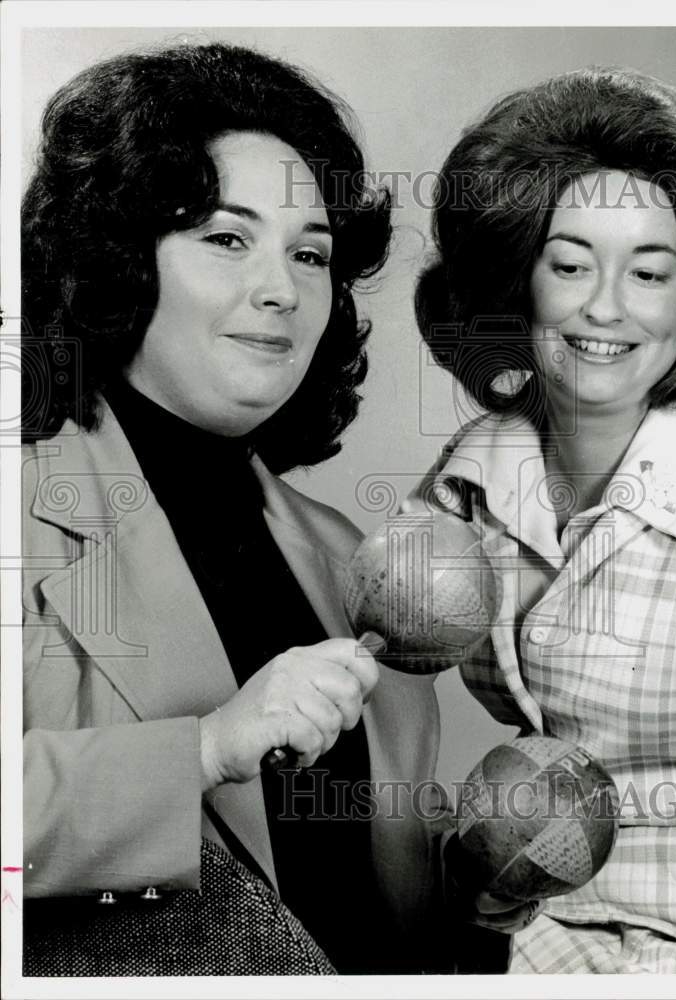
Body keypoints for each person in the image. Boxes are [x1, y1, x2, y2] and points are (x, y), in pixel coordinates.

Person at [21, 41, 444, 975]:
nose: (280, 288)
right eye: (225, 237)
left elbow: (366, 909)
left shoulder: (352, 561)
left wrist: (486, 881)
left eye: (311, 253)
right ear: (119, 259)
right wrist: (207, 747)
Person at [410, 67, 676, 974]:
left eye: (650, 273)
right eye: (570, 265)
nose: (606, 307)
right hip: (513, 935)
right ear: (517, 278)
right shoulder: (466, 480)